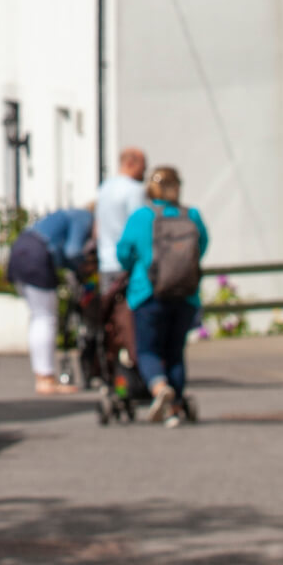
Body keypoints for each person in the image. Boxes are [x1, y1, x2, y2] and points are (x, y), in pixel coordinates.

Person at [116, 165, 208, 426]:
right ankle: (175, 407)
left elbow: (124, 253)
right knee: (175, 351)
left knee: (147, 349)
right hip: (186, 294)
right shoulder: (192, 216)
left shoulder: (141, 217)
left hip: (148, 292)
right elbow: (201, 248)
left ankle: (158, 387)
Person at [7, 208, 94, 394]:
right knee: (45, 318)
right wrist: (83, 268)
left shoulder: (66, 215)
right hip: (37, 255)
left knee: (38, 316)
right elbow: (73, 251)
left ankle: (43, 376)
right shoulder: (84, 216)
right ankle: (45, 379)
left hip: (19, 250)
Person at [95, 148, 147, 294]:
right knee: (129, 315)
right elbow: (139, 229)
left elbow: (97, 227)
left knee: (110, 314)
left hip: (105, 263)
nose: (144, 173)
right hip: (127, 264)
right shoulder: (134, 189)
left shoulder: (104, 188)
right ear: (131, 163)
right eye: (143, 167)